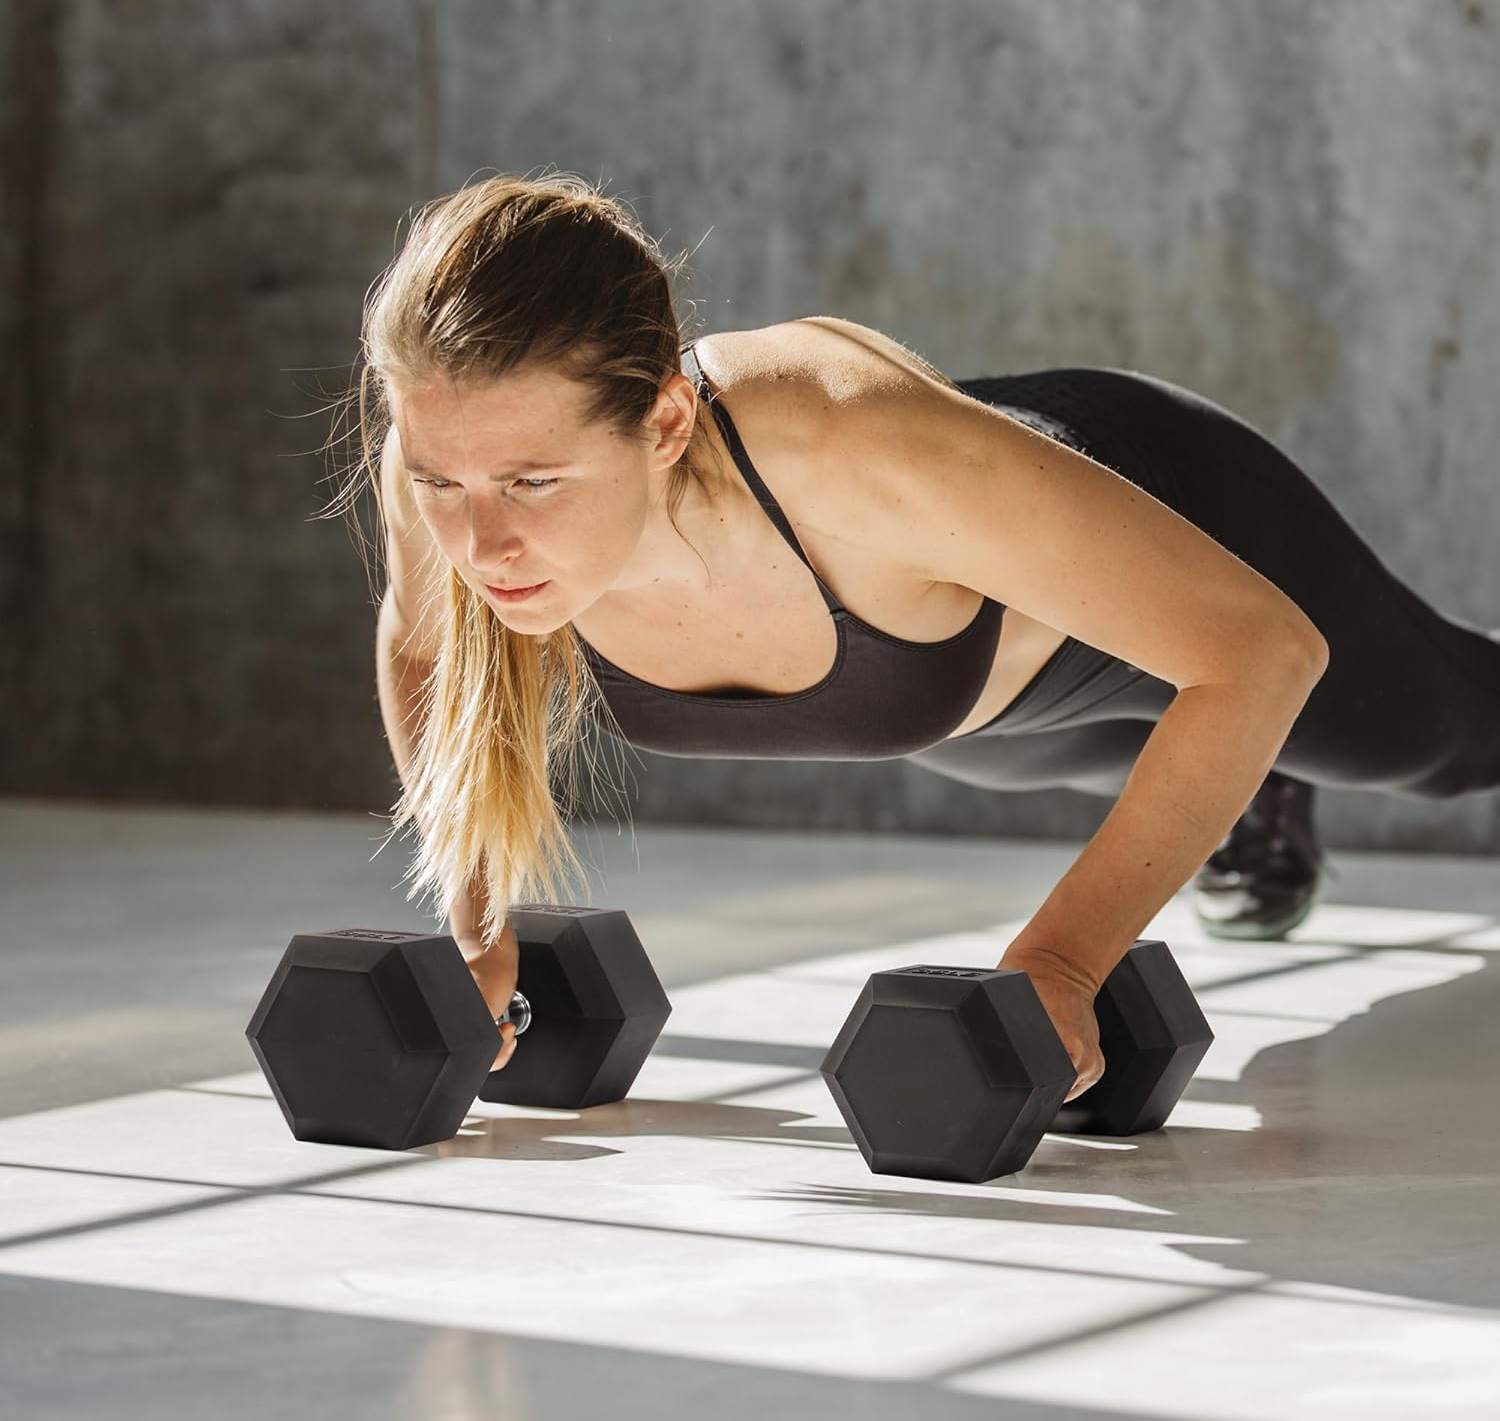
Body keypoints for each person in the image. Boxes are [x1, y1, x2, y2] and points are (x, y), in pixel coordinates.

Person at [350, 171, 1500, 1100]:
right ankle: (1246, 785)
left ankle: (1262, 764)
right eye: (443, 481)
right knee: (1103, 761)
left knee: (1452, 745)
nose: (481, 541)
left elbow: (1261, 651)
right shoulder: (453, 448)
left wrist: (1059, 964)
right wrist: (475, 908)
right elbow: (422, 648)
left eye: (537, 482)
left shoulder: (849, 442)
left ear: (664, 419)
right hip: (973, 706)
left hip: (1182, 529)